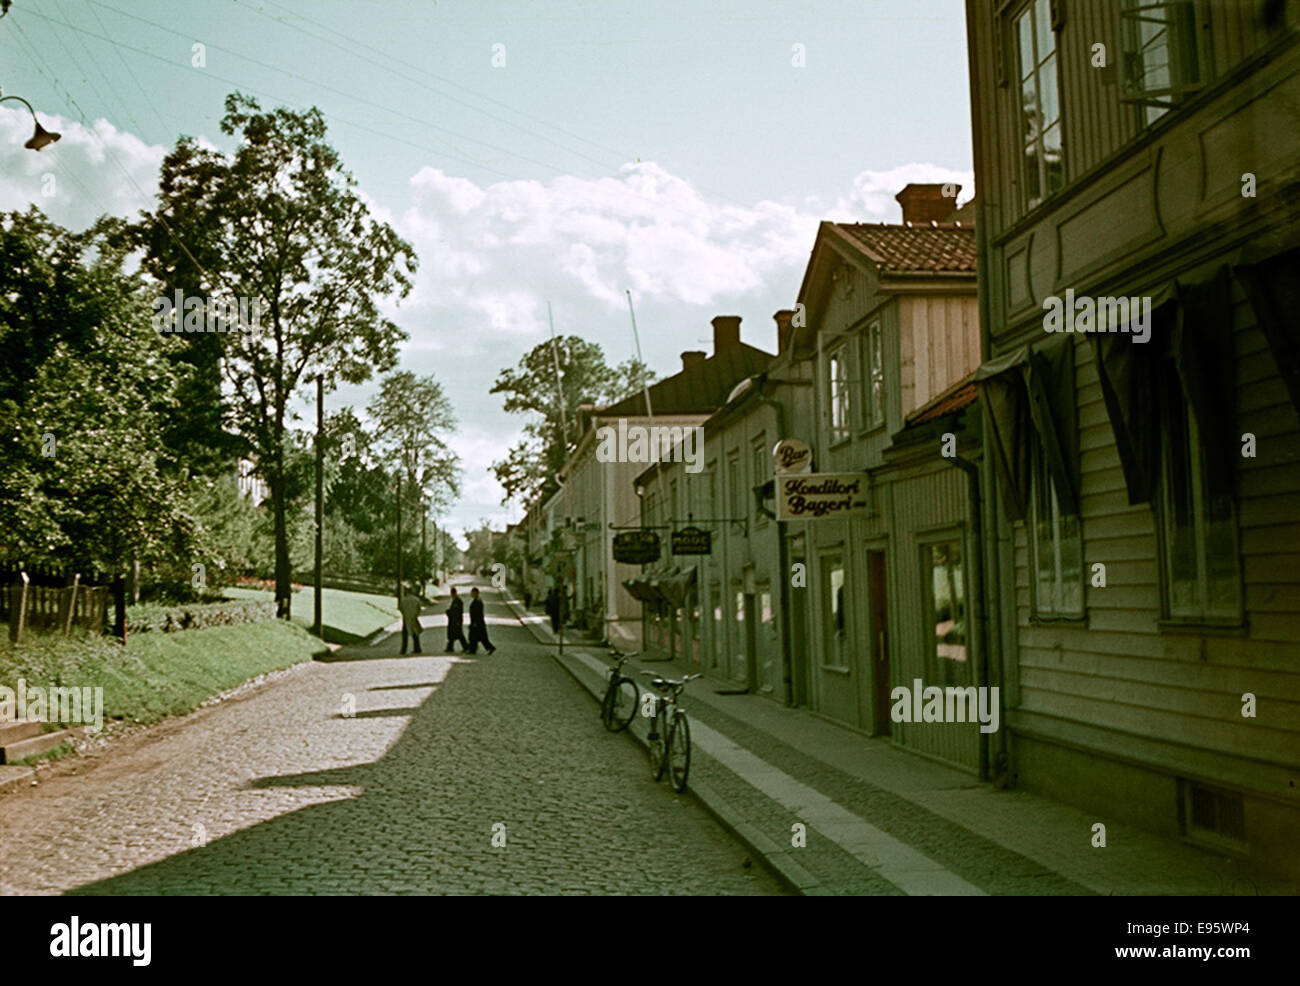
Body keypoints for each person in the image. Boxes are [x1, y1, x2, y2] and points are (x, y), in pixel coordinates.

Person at [467, 586, 496, 654]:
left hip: (478, 623)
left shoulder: (478, 602)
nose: (471, 594)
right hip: (477, 623)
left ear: (476, 593)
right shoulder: (476, 600)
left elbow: (478, 613)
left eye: (472, 593)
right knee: (475, 637)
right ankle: (473, 649)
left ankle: (490, 648)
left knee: (480, 638)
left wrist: (475, 623)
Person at [398, 584, 423, 654]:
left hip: (406, 618)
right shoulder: (416, 599)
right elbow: (419, 609)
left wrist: (405, 613)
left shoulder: (403, 600)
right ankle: (417, 648)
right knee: (415, 634)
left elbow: (401, 609)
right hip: (414, 617)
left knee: (405, 635)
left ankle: (403, 649)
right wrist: (416, 614)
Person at [445, 587, 467, 652]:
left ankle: (466, 647)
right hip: (453, 621)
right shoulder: (455, 601)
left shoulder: (458, 601)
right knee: (453, 635)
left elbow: (458, 612)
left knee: (459, 635)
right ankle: (450, 647)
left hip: (456, 621)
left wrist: (449, 613)